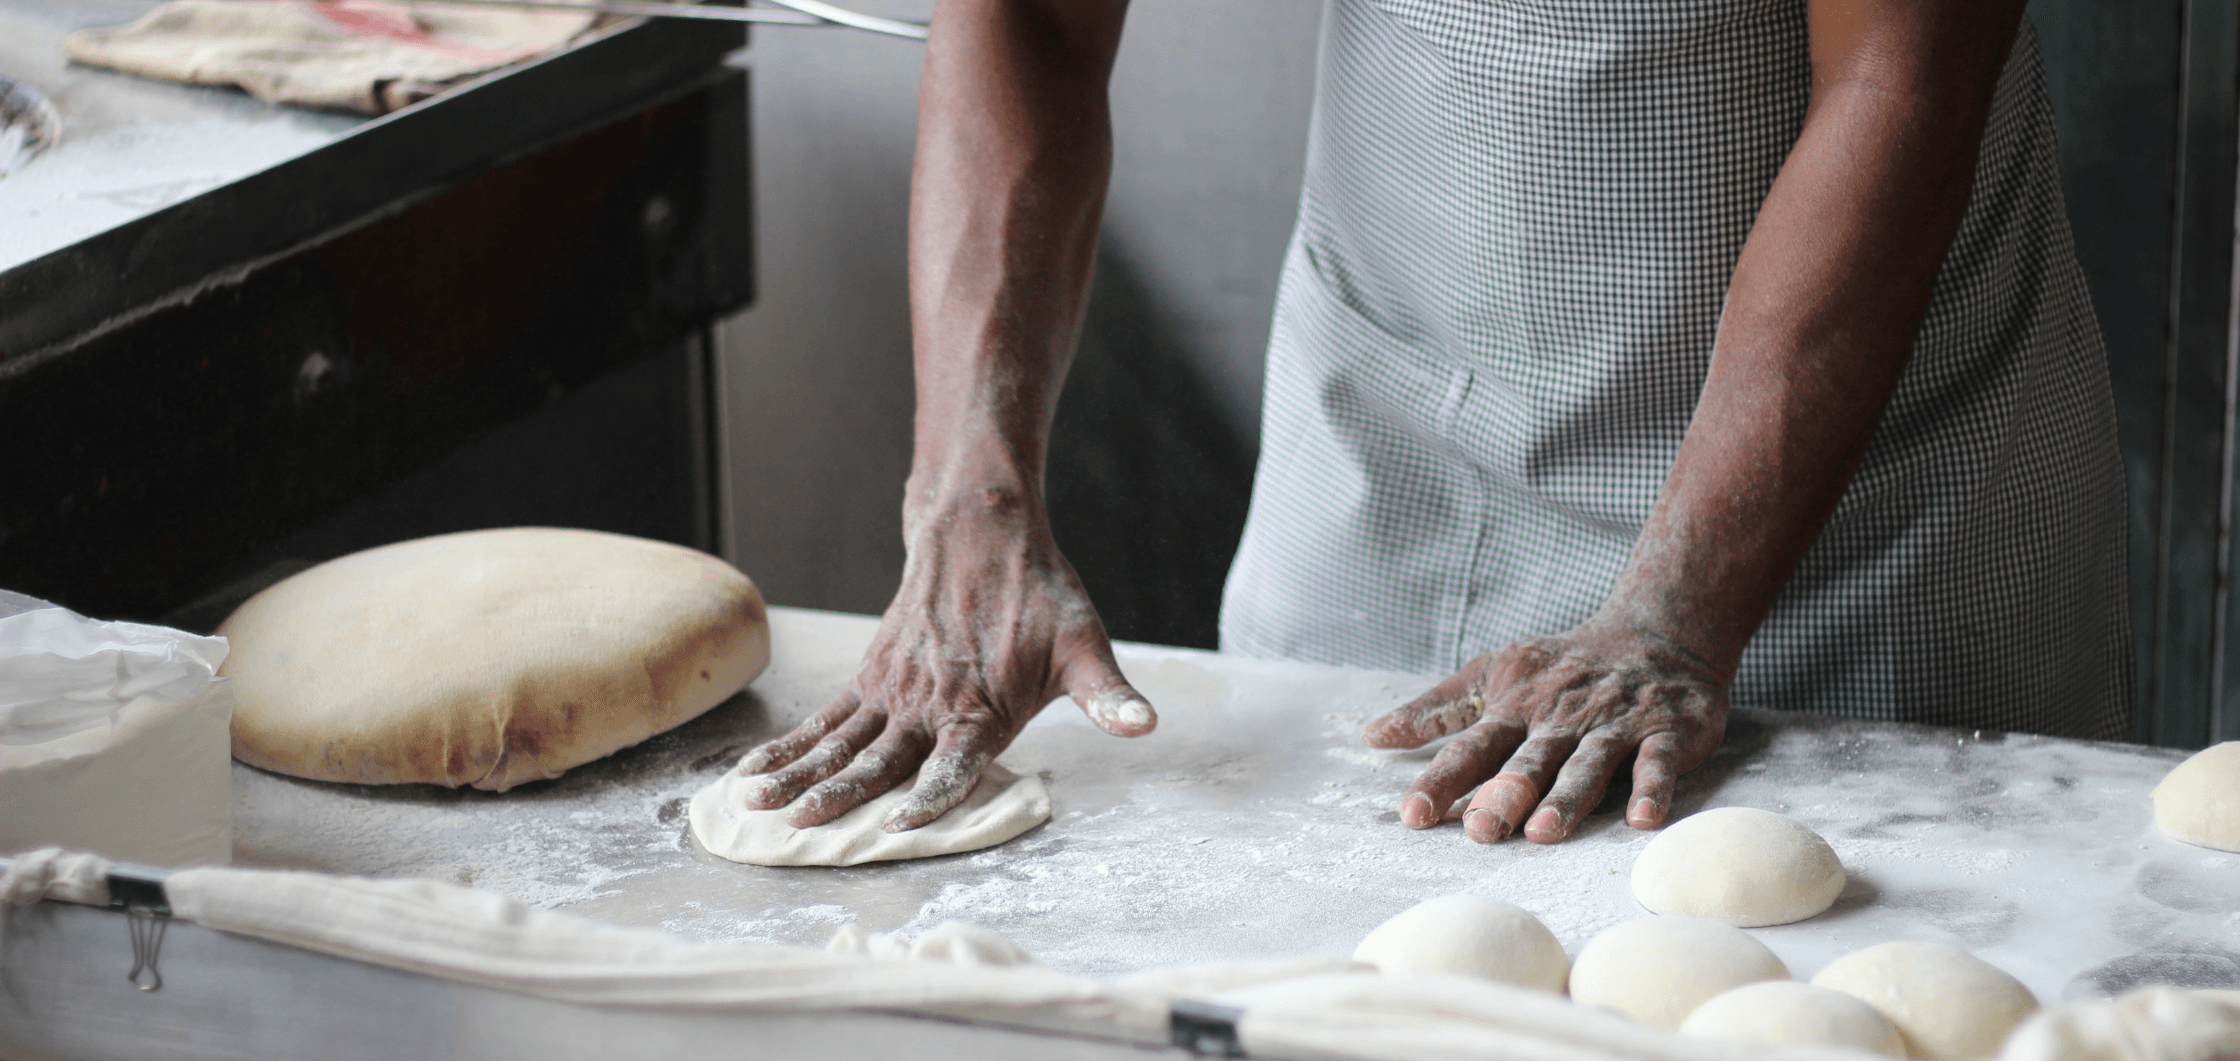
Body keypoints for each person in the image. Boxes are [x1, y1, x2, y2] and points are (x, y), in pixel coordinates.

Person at [736, 0, 2130, 845]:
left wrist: (1680, 609)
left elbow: (1904, 80)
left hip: (1857, 507)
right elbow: (1035, 15)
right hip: (1393, 434)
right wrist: (968, 491)